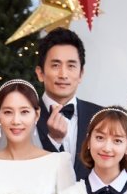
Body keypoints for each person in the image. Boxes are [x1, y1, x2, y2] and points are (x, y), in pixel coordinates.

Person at [35, 27, 101, 180]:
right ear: (40, 73)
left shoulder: (100, 117)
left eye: (71, 66)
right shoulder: (24, 118)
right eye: (55, 65)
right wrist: (53, 140)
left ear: (81, 74)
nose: (63, 74)